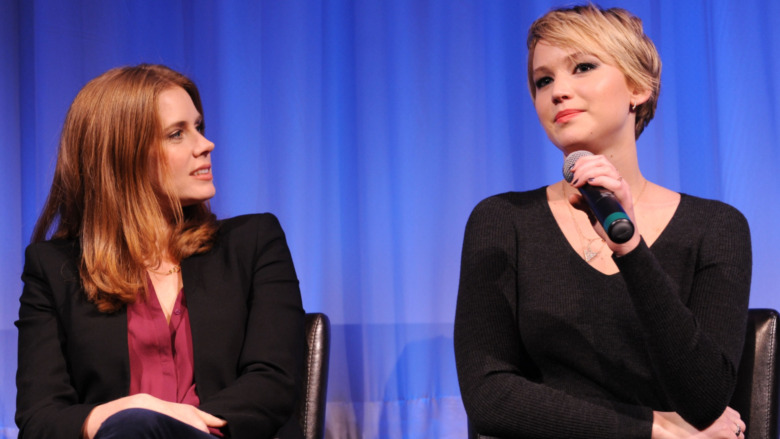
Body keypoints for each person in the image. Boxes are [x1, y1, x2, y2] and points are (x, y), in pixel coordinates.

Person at [454, 5, 751, 439]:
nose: (558, 91)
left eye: (583, 67)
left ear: (638, 87)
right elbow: (489, 397)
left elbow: (704, 399)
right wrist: (653, 429)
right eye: (544, 80)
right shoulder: (501, 221)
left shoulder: (717, 228)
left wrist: (631, 250)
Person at [15, 64, 305, 439]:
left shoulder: (253, 242)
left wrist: (169, 425)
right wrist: (123, 412)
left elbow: (273, 383)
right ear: (124, 155)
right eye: (177, 134)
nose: (205, 144)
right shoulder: (53, 269)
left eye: (198, 127)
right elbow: (40, 419)